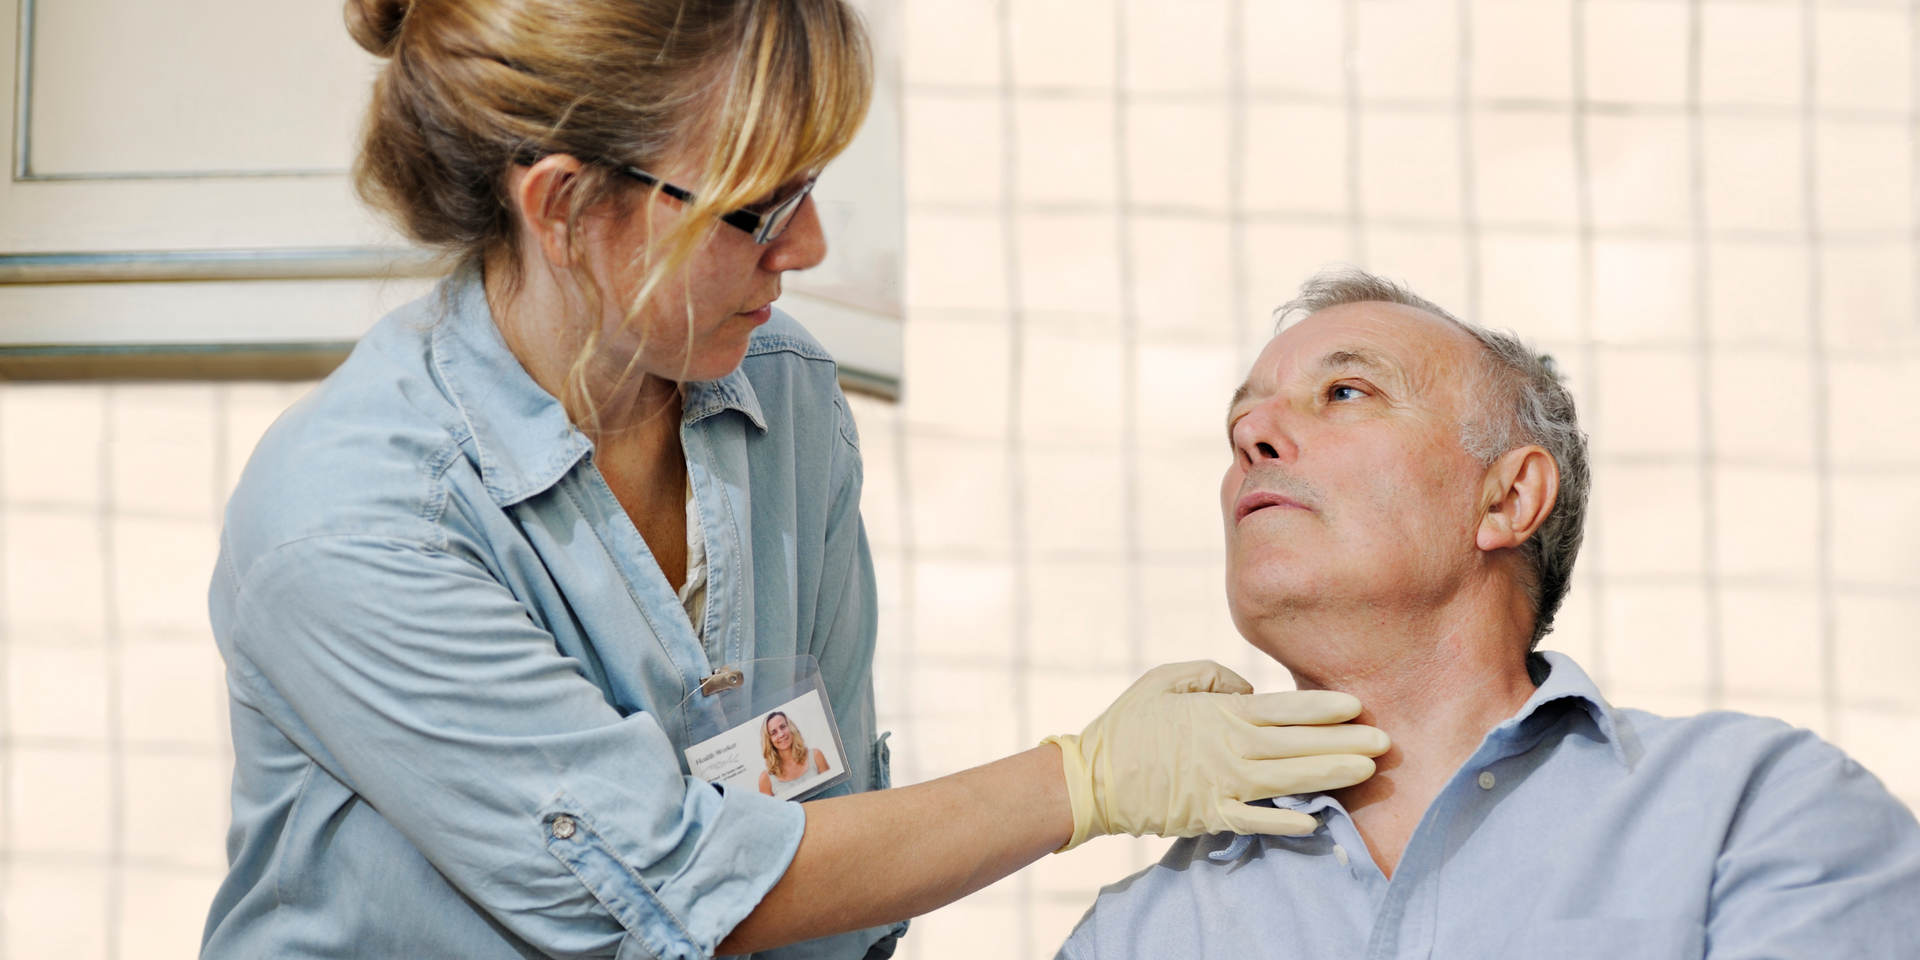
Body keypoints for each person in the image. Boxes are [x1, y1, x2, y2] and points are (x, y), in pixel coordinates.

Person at [198, 3, 1393, 959]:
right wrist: (1084, 781)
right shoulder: (354, 520)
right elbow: (669, 895)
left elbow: (814, 822)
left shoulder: (782, 399)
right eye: (755, 208)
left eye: (814, 186)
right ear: (564, 205)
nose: (808, 248)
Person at [1058, 268, 1920, 959]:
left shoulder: (1750, 806)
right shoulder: (1137, 932)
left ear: (1508, 499)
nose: (1255, 436)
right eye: (1242, 420)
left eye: (1346, 393)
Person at [759, 711, 830, 797]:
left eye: (783, 727)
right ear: (769, 740)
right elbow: (770, 810)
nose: (781, 734)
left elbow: (834, 793)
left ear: (791, 728)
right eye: (774, 733)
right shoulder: (766, 779)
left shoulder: (816, 756)